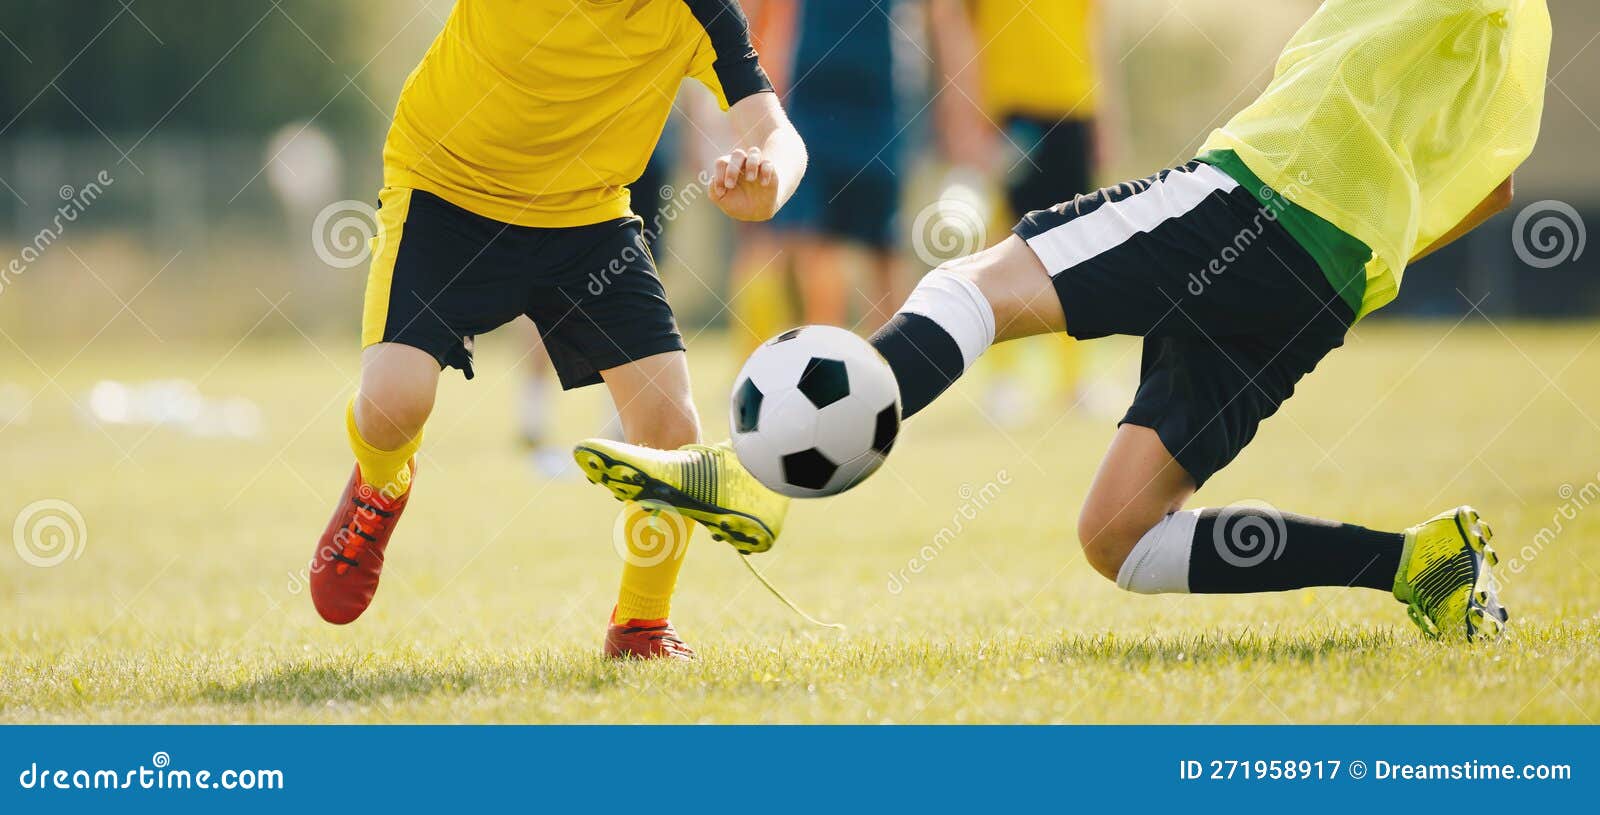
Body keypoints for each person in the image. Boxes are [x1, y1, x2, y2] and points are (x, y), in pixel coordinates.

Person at [571, 0, 1551, 641]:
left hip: (1255, 196)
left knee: (966, 290)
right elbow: (1491, 187)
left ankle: (756, 475)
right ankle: (1416, 562)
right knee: (1121, 534)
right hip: (1329, 276)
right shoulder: (1524, 47)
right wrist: (1359, 258)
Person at [308, 0, 808, 662]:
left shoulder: (699, 11)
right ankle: (382, 484)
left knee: (671, 429)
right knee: (394, 402)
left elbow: (776, 129)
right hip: (446, 191)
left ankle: (641, 625)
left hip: (588, 217)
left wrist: (770, 178)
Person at [967, 0, 1118, 424]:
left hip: (1077, 107)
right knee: (1008, 244)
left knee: (1081, 245)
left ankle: (1076, 378)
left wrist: (1105, 118)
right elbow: (959, 29)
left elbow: (1095, 32)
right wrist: (969, 115)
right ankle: (1003, 378)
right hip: (1011, 113)